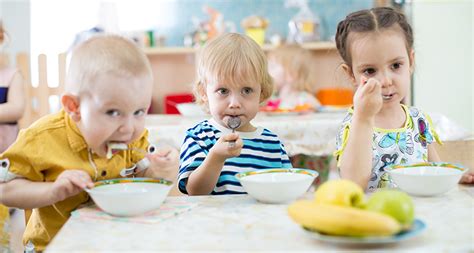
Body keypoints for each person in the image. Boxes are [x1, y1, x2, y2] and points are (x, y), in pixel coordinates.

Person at [0, 35, 179, 251]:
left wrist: (159, 172)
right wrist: (53, 191)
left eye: (139, 111)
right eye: (113, 112)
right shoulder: (41, 139)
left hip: (117, 241)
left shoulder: (134, 139)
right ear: (74, 107)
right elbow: (5, 189)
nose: (129, 127)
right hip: (54, 245)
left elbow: (142, 179)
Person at [333, 7, 473, 191]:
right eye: (370, 71)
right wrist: (364, 118)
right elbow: (352, 186)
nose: (386, 80)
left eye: (396, 65)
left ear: (411, 62)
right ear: (351, 74)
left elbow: (434, 169)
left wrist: (454, 177)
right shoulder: (354, 124)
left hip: (421, 214)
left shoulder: (418, 120)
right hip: (376, 217)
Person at [178, 33, 292, 195]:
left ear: (262, 92)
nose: (234, 103)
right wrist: (216, 158)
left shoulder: (272, 143)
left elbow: (285, 189)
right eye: (223, 91)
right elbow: (195, 192)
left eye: (246, 90)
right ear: (204, 92)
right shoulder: (199, 137)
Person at [266, 44, 320, 111]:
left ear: (291, 74)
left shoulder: (305, 100)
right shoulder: (273, 99)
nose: (266, 71)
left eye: (272, 67)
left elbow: (319, 114)